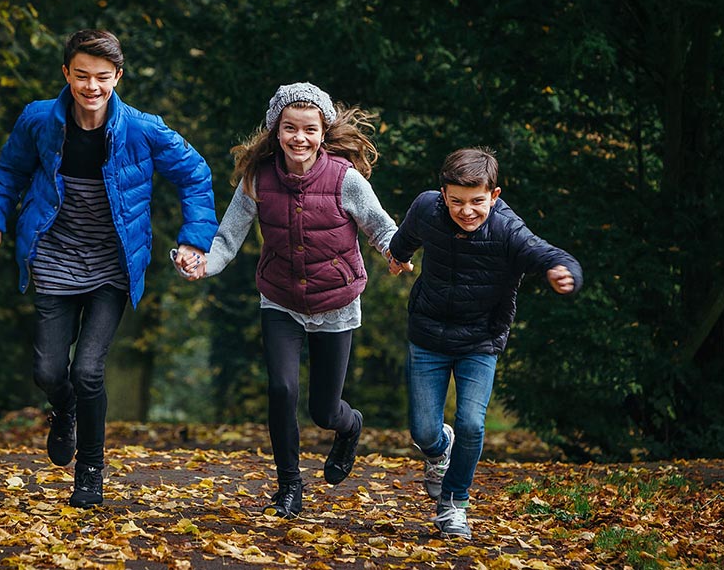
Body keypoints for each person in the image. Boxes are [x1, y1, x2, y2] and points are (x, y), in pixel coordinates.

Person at [0, 29, 218, 508]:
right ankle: (61, 410)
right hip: (54, 257)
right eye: (81, 76)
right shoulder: (39, 120)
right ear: (66, 73)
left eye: (102, 78)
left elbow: (196, 174)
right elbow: (10, 175)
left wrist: (192, 239)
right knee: (48, 372)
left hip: (112, 265)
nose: (91, 87)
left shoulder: (144, 129)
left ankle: (90, 472)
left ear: (118, 77)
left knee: (88, 370)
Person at [177, 82, 401, 519]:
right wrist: (204, 264)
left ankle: (349, 426)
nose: (300, 138)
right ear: (275, 132)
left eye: (310, 129)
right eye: (290, 128)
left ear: (323, 132)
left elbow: (380, 226)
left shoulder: (344, 178)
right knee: (281, 389)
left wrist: (396, 254)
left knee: (323, 410)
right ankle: (289, 486)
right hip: (280, 299)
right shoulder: (258, 180)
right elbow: (227, 238)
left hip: (336, 302)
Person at [387, 147, 582, 538]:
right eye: (456, 201)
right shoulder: (427, 208)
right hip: (428, 334)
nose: (467, 211)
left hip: (481, 339)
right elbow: (406, 235)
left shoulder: (508, 231)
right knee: (424, 432)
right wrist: (397, 256)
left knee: (473, 424)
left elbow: (546, 253)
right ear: (443, 193)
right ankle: (441, 451)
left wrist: (565, 273)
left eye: (477, 201)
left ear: (494, 195)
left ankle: (454, 505)